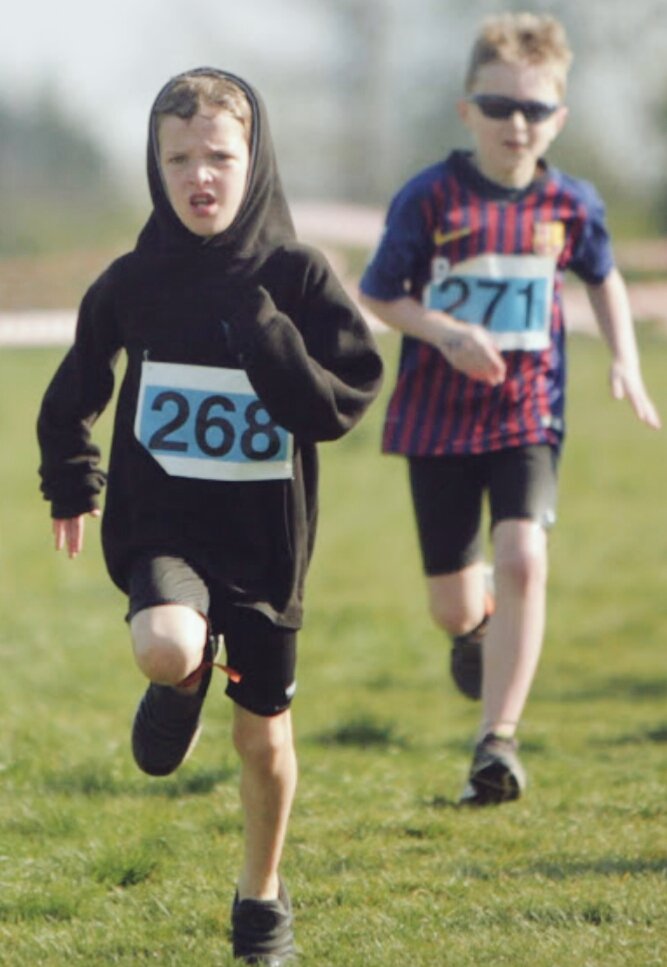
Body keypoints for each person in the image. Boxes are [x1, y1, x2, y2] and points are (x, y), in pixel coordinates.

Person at [37, 68, 382, 963]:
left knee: (262, 736)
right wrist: (72, 480)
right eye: (178, 157)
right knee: (163, 642)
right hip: (164, 528)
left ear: (253, 158)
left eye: (219, 156)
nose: (200, 175)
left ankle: (260, 897)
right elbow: (74, 388)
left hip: (265, 545)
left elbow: (339, 404)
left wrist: (265, 331)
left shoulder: (296, 276)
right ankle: (181, 677)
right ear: (156, 166)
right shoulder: (135, 279)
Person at [359, 13, 660, 807]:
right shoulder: (428, 198)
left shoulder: (570, 202)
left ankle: (496, 742)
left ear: (558, 116)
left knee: (525, 555)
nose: (515, 123)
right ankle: (472, 630)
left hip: (527, 412)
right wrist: (446, 331)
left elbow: (603, 276)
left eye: (532, 108)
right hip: (436, 416)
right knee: (452, 601)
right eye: (497, 107)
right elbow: (378, 295)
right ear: (467, 110)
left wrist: (624, 359)